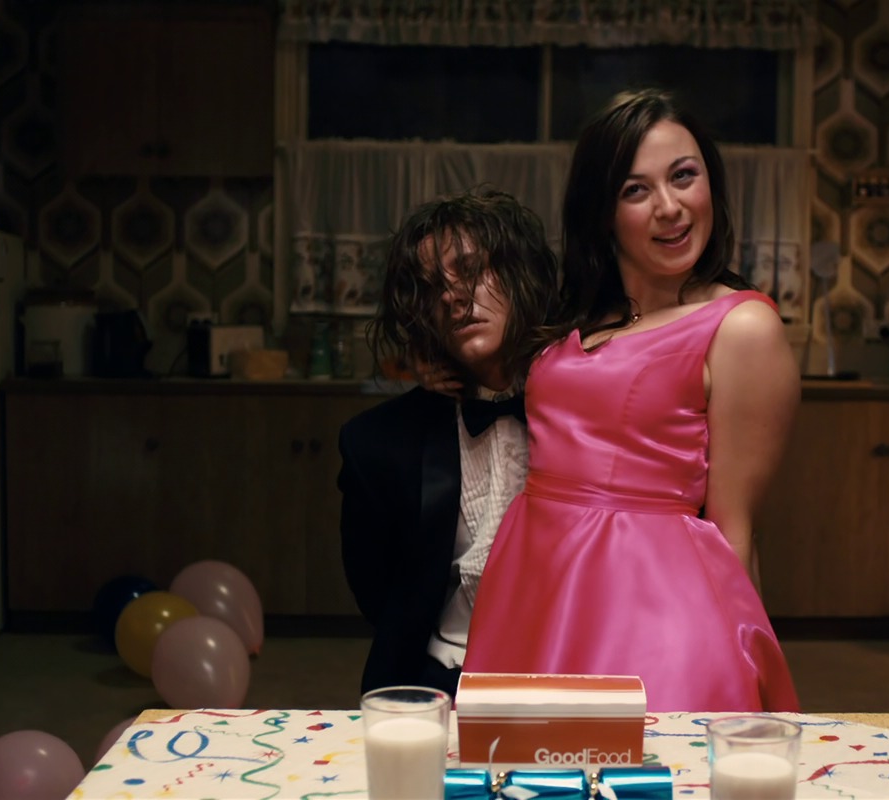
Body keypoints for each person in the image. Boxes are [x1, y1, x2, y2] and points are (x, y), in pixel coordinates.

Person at [462, 89, 802, 712]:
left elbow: (733, 528)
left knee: (644, 755)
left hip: (649, 603)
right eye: (636, 189)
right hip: (535, 578)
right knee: (517, 753)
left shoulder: (741, 327)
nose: (670, 207)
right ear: (603, 211)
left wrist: (742, 662)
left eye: (684, 176)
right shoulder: (578, 314)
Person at [337, 186, 563, 697]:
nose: (452, 296)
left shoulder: (589, 408)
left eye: (472, 269)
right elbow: (379, 594)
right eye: (431, 288)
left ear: (522, 272)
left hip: (572, 673)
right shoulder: (376, 444)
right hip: (438, 682)